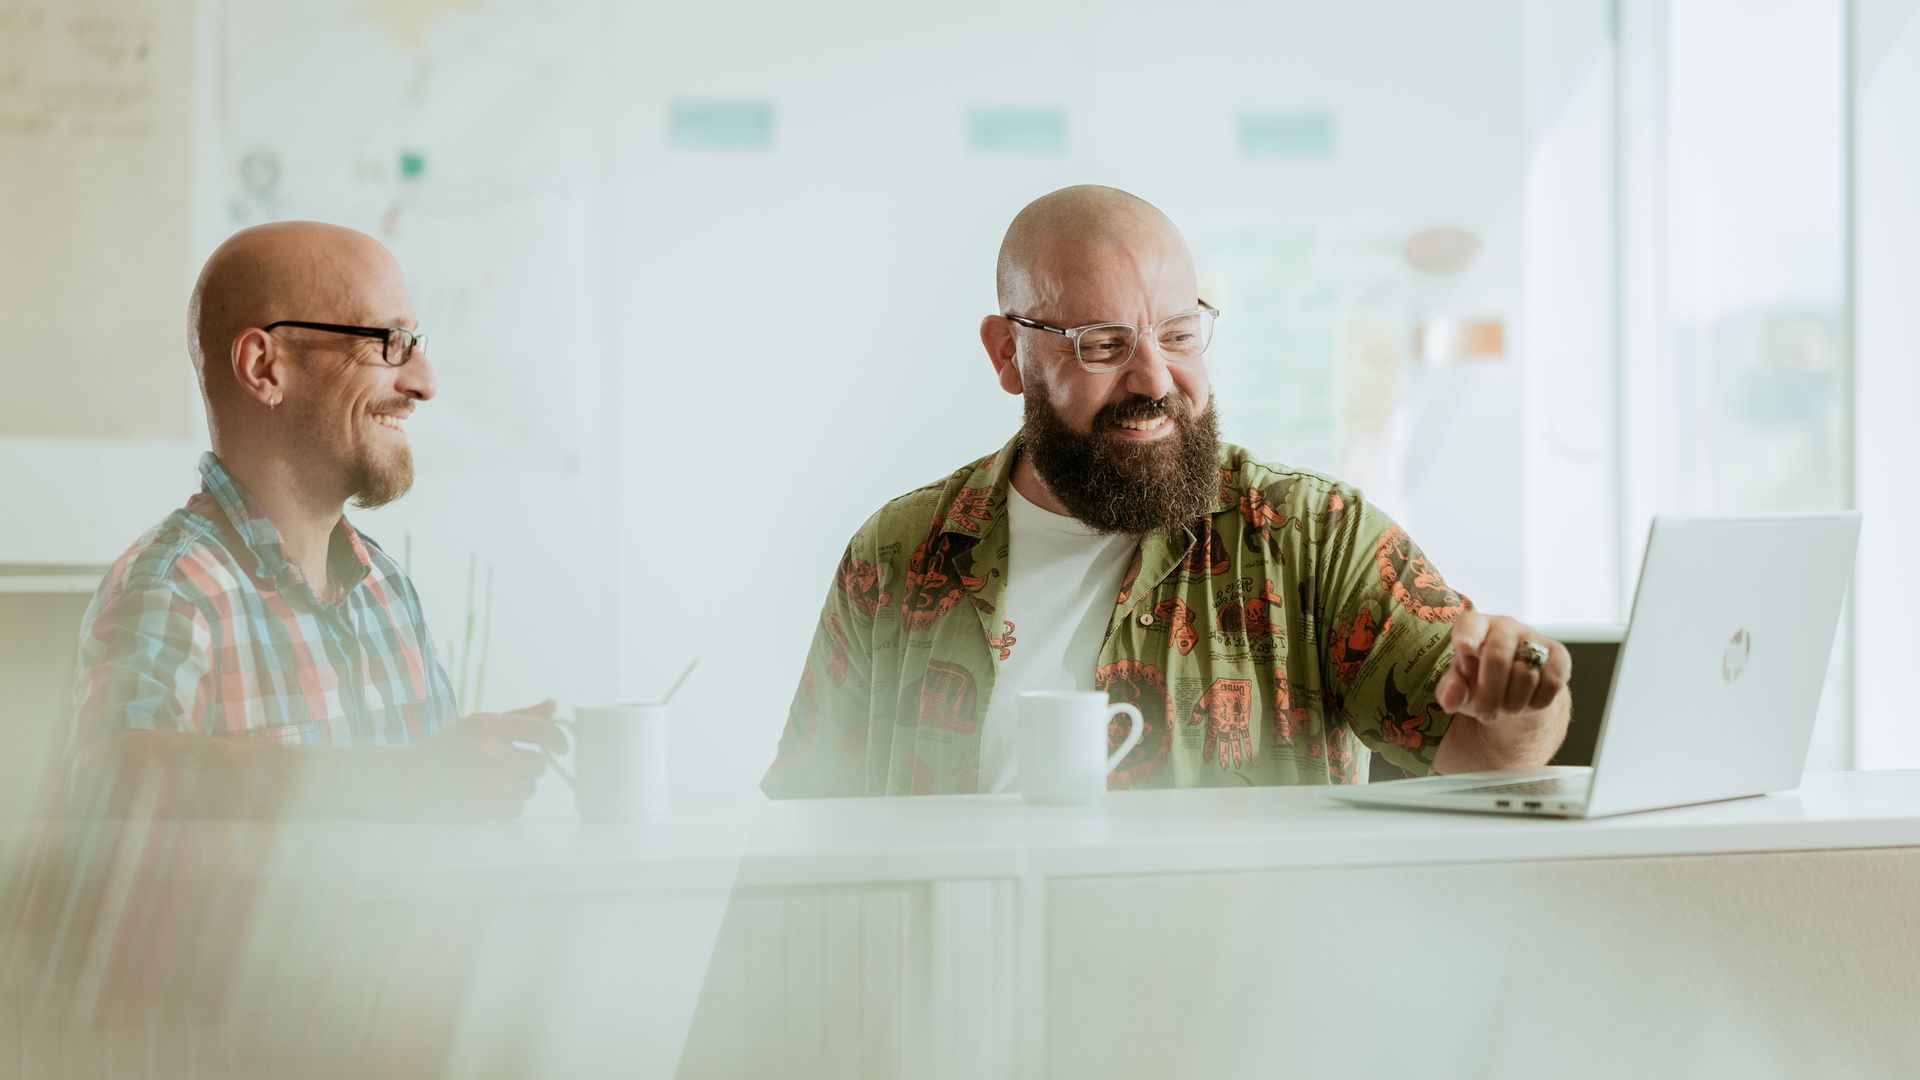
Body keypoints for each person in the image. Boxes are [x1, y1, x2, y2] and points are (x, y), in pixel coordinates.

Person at [763, 186, 1570, 797]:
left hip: (1233, 1016)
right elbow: (804, 821)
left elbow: (1489, 756)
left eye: (1180, 336)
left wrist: (1522, 696)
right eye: (1104, 344)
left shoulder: (1312, 538)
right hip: (964, 1008)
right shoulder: (900, 557)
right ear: (1008, 354)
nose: (1156, 379)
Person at [66, 221, 566, 819]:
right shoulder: (173, 586)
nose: (424, 382)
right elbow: (110, 780)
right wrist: (403, 779)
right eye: (388, 341)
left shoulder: (385, 587)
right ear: (264, 368)